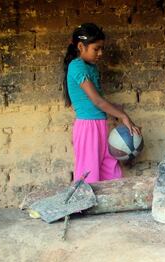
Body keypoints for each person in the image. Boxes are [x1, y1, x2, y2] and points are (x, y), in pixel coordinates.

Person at [63, 23, 141, 183]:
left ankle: (110, 205)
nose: (101, 53)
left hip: (99, 124)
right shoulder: (76, 66)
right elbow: (97, 101)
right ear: (80, 46)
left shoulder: (91, 67)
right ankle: (82, 208)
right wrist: (123, 116)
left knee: (109, 169)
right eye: (96, 49)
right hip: (87, 127)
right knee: (88, 173)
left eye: (102, 48)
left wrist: (121, 114)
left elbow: (100, 101)